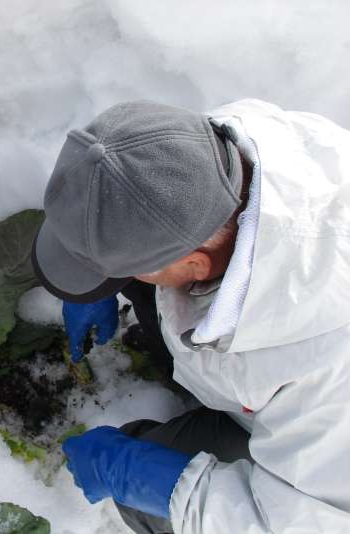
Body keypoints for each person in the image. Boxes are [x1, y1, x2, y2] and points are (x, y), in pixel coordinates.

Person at [32, 99, 350, 533]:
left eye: (125, 269)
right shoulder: (200, 150)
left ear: (197, 266)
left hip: (321, 471)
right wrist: (102, 281)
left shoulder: (324, 367)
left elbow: (317, 522)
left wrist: (158, 485)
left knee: (151, 507)